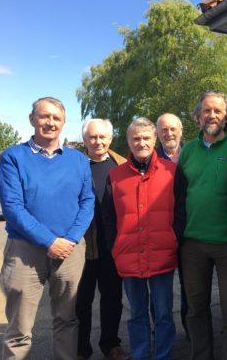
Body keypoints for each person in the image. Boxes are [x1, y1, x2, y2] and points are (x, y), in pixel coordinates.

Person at [0, 97, 95, 359]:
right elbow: (13, 209)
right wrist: (50, 241)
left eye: (56, 118)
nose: (50, 122)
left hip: (70, 250)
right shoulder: (12, 157)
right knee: (19, 327)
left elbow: (87, 202)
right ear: (32, 119)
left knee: (67, 319)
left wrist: (71, 238)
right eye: (44, 116)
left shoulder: (78, 160)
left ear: (63, 123)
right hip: (25, 251)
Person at [103, 117, 186, 360]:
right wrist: (115, 246)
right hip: (128, 255)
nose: (141, 143)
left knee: (162, 313)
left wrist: (174, 240)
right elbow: (108, 216)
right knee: (137, 313)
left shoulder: (172, 172)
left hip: (162, 253)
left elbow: (182, 210)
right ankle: (140, 355)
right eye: (136, 138)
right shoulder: (115, 175)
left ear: (154, 139)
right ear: (128, 141)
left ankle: (163, 355)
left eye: (146, 138)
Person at [178, 91, 227, 360]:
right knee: (196, 308)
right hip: (193, 243)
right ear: (198, 116)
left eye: (218, 111)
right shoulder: (187, 152)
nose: (212, 116)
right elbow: (181, 194)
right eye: (207, 111)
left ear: (226, 116)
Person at [76, 119, 129, 360]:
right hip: (82, 246)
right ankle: (80, 349)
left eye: (102, 137)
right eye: (92, 137)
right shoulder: (74, 165)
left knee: (112, 299)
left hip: (113, 245)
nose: (98, 141)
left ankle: (110, 344)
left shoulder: (122, 166)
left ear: (110, 139)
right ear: (85, 140)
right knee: (80, 302)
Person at [155, 112, 189, 339]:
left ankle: (190, 331)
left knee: (190, 289)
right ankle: (161, 335)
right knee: (160, 294)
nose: (168, 133)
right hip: (160, 232)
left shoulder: (192, 153)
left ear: (181, 130)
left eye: (172, 128)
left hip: (190, 231)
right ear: (157, 133)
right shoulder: (149, 157)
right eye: (164, 129)